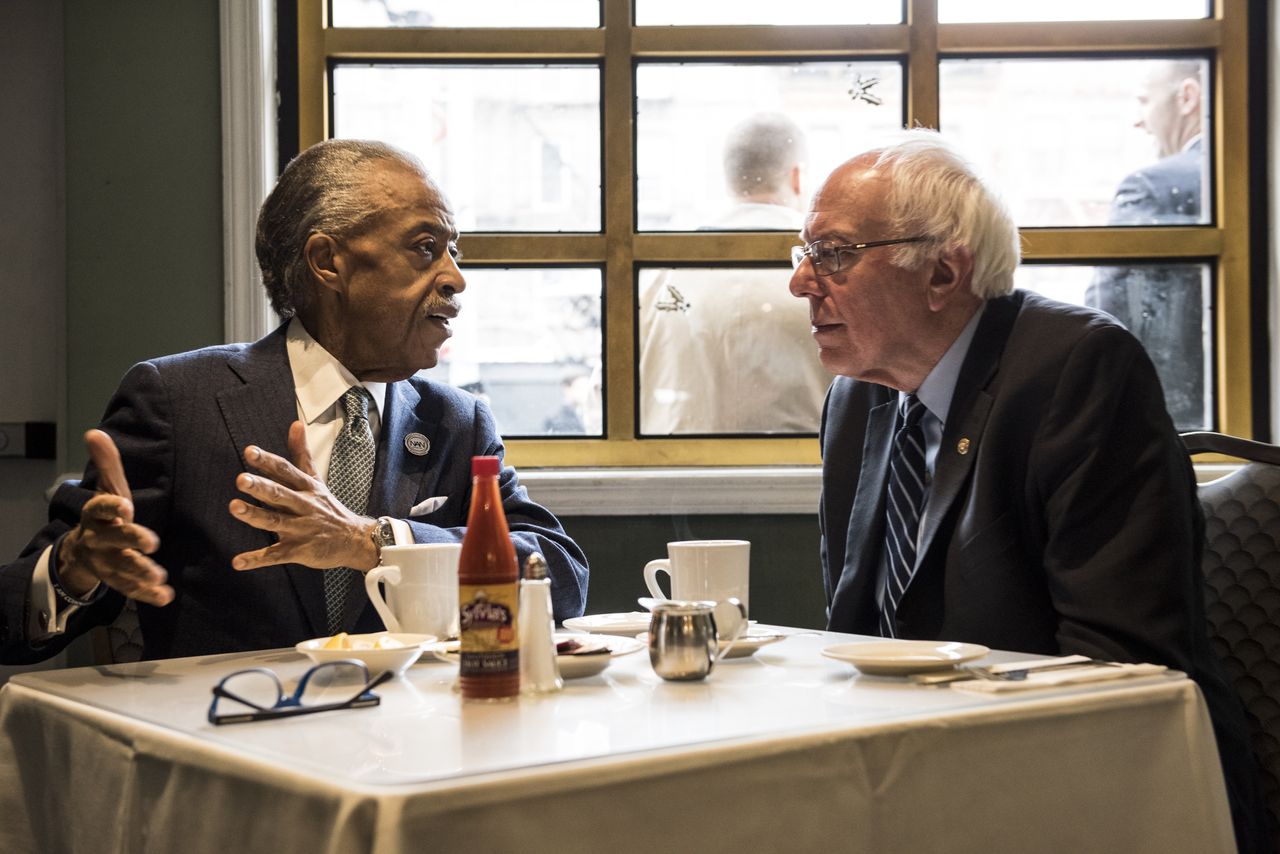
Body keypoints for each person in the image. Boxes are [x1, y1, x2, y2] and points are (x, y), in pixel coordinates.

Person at [789, 129, 1267, 852]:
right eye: (804, 254)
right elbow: (858, 631)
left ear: (944, 273)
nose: (800, 281)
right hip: (913, 773)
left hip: (1104, 793)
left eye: (834, 254)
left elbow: (1116, 667)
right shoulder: (857, 399)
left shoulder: (1079, 370)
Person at [0, 139, 589, 663]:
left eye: (453, 251)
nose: (456, 277)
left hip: (419, 751)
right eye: (426, 247)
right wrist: (76, 568)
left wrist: (374, 541)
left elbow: (559, 575)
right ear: (327, 261)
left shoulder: (457, 421)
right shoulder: (178, 402)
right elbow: (12, 614)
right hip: (233, 752)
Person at [638, 113, 830, 434]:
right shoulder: (827, 271)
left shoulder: (658, 275)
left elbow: (604, 395)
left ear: (729, 179)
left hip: (674, 468)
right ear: (798, 178)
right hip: (807, 470)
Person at [1086, 60, 1207, 431]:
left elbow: (1106, 319)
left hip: (1176, 420)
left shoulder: (1152, 186)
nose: (1139, 120)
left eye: (1144, 101)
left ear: (1187, 97)